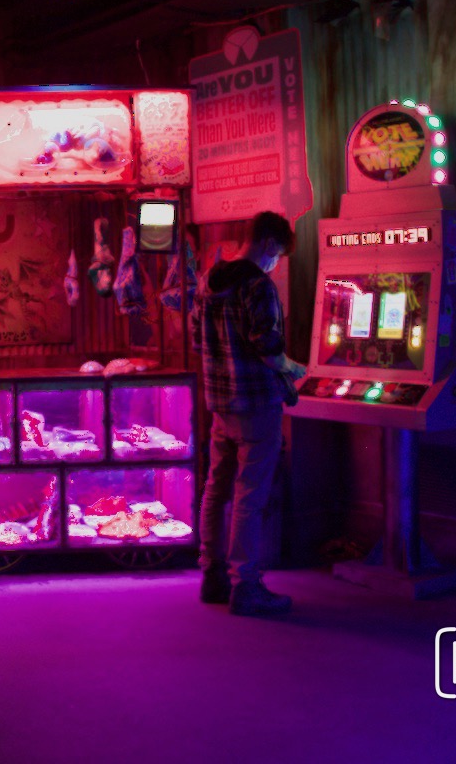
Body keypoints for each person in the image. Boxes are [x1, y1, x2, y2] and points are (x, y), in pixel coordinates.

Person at [189, 210, 307, 616]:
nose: (276, 263)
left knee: (216, 488)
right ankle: (247, 585)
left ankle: (213, 575)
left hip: (220, 403)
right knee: (249, 496)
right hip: (256, 404)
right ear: (270, 246)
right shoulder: (258, 285)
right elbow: (267, 346)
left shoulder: (209, 281)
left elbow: (194, 338)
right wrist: (295, 369)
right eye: (278, 255)